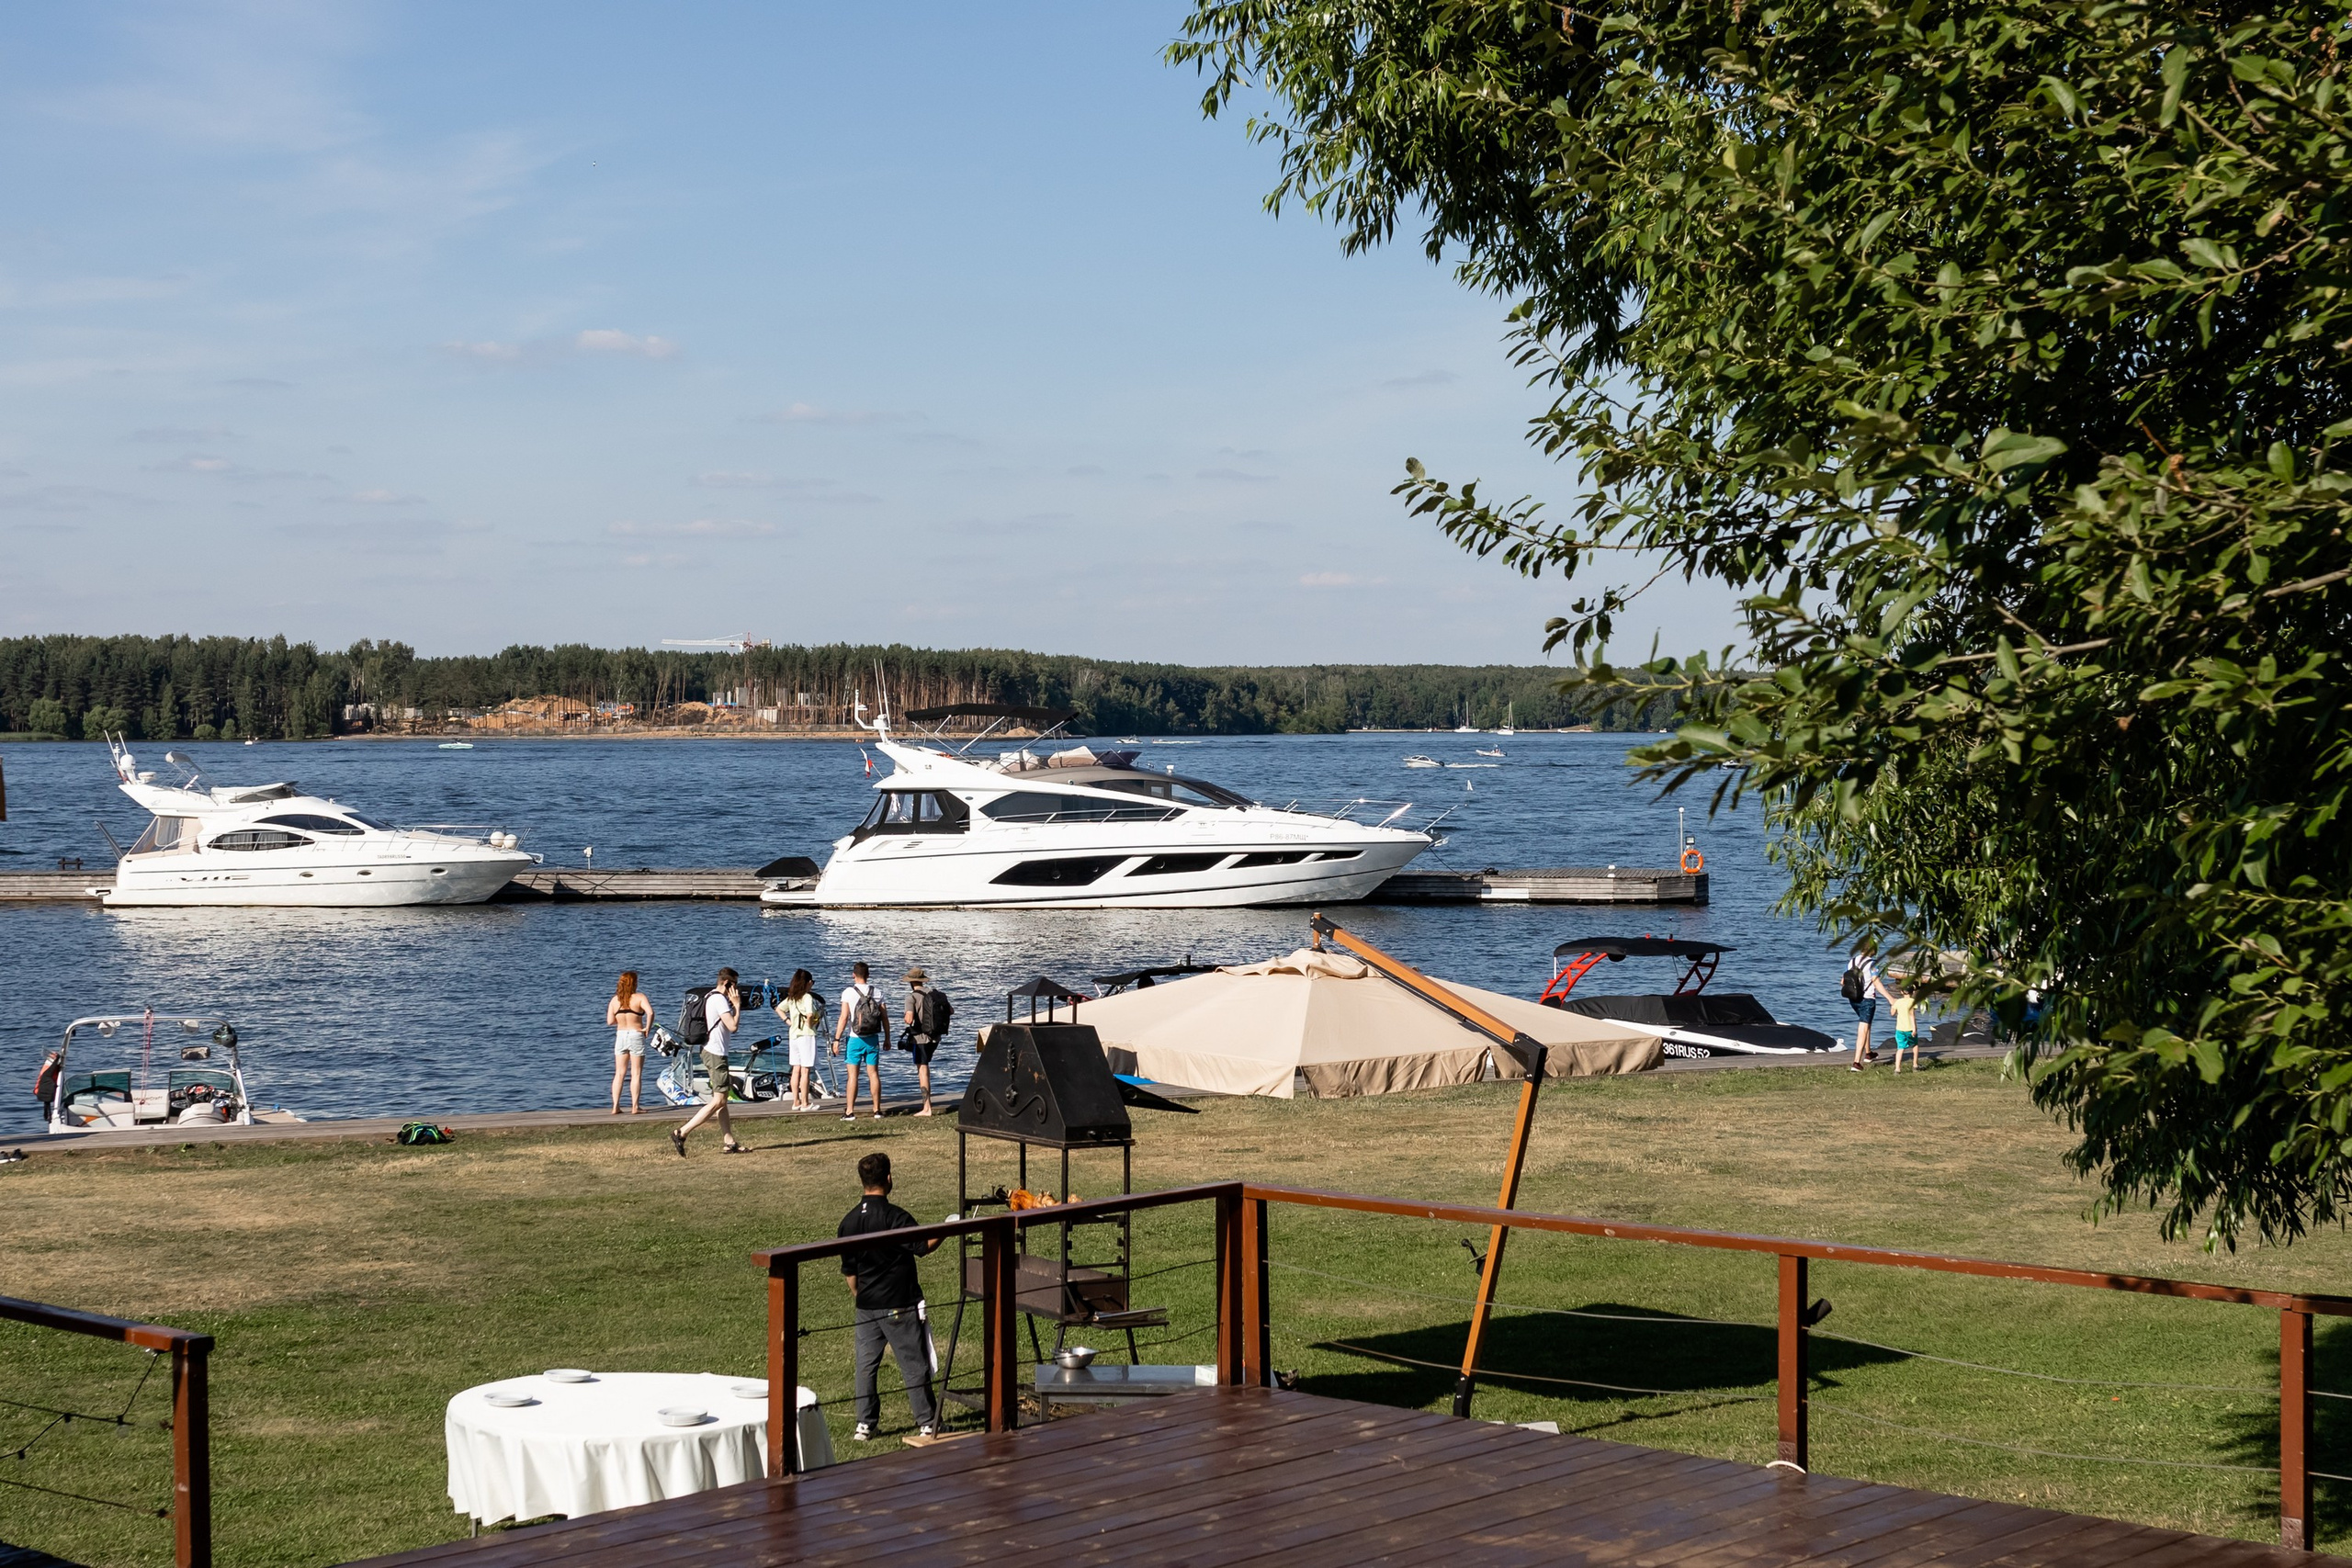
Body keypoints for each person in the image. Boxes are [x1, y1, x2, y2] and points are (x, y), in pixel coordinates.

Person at [837, 1151, 942, 1441]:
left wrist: (862, 1296)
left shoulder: (848, 1222)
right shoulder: (895, 1217)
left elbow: (850, 1272)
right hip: (899, 1304)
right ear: (889, 1178)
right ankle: (927, 1422)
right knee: (913, 1363)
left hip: (866, 1305)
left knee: (866, 1366)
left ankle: (865, 1424)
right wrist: (947, 1228)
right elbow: (923, 1246)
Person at [672, 967, 747, 1155]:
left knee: (722, 1100)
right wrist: (737, 1005)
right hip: (716, 1053)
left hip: (709, 1050)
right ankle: (682, 1132)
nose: (736, 990)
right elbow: (733, 1026)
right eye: (735, 985)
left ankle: (729, 1141)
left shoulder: (710, 996)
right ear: (727, 984)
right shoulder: (720, 1000)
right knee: (719, 1100)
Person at [833, 961, 889, 1122]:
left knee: (853, 1076)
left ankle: (850, 1111)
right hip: (872, 1038)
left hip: (855, 1039)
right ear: (868, 975)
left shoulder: (848, 992)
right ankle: (877, 1110)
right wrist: (887, 1038)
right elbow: (884, 1018)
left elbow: (844, 1018)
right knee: (873, 1074)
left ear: (853, 975)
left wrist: (836, 1039)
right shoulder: (877, 992)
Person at [899, 966, 953, 1117]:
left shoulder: (911, 997)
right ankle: (926, 1106)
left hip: (920, 1038)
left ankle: (927, 1107)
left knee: (922, 1070)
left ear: (911, 982)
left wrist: (906, 1016)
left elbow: (909, 1019)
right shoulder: (934, 994)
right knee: (925, 1067)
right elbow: (951, 1011)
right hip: (935, 1037)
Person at [606, 970, 652, 1114]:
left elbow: (610, 1021)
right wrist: (647, 1028)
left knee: (619, 1073)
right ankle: (635, 1106)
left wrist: (621, 1020)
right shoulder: (639, 998)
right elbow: (650, 1012)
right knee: (636, 1073)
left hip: (620, 1035)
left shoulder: (615, 1000)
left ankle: (615, 1106)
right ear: (634, 983)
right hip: (636, 1034)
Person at [779, 969, 824, 1111]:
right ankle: (805, 1103)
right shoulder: (807, 997)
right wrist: (809, 1024)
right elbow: (810, 1014)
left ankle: (796, 1101)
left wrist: (788, 1021)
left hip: (793, 1035)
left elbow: (779, 1009)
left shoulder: (792, 998)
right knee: (806, 1070)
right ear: (808, 983)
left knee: (796, 1070)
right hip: (806, 1035)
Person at [1845, 949, 1891, 1071]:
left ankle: (1868, 1053)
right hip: (1867, 1000)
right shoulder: (1873, 964)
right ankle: (1856, 1063)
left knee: (1866, 1023)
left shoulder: (1852, 962)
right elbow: (1876, 982)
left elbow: (1843, 981)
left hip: (1853, 999)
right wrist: (1890, 998)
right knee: (1863, 1029)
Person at [1889, 984, 1921, 1073]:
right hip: (1910, 1029)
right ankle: (1915, 1065)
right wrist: (1914, 1028)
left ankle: (1897, 1069)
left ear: (1901, 992)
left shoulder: (1898, 1002)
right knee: (1915, 1045)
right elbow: (1912, 1015)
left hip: (1900, 1029)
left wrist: (1892, 1005)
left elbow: (1892, 1014)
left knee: (1900, 1048)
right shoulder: (1912, 1001)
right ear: (1913, 992)